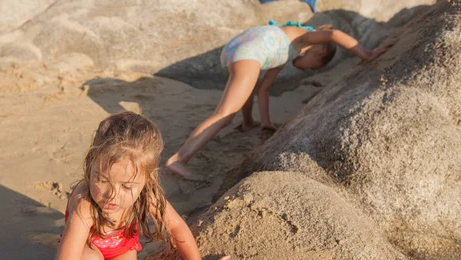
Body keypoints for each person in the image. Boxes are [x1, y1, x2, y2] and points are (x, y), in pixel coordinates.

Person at [45, 111, 241, 260]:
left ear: (146, 179)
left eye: (127, 186)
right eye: (102, 179)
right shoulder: (85, 203)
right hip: (86, 253)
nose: (112, 195)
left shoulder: (148, 193)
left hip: (121, 250)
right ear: (91, 165)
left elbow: (177, 226)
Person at [165, 21, 392, 179]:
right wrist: (367, 54)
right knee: (224, 114)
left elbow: (264, 89)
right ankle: (179, 158)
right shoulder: (306, 37)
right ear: (317, 53)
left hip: (236, 50)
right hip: (249, 52)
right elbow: (334, 35)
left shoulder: (283, 47)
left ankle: (247, 122)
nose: (305, 70)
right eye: (311, 68)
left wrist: (264, 122)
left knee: (247, 87)